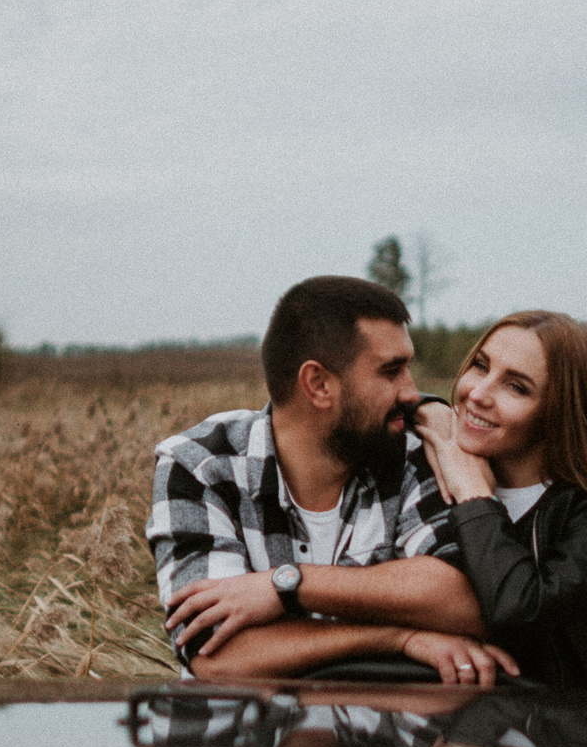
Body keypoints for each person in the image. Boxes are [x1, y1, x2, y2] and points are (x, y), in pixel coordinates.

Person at [149, 275, 520, 685]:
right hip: (248, 742)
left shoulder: (415, 452)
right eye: (391, 371)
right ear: (319, 384)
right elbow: (217, 656)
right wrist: (397, 636)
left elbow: (466, 602)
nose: (412, 392)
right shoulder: (201, 465)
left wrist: (285, 586)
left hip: (388, 738)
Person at [413, 310, 587, 693]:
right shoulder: (433, 464)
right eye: (480, 366)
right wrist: (428, 407)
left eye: (517, 387)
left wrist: (474, 495)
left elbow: (520, 611)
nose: (478, 394)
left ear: (561, 411)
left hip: (561, 738)